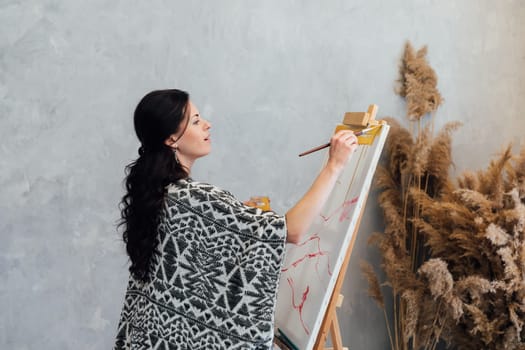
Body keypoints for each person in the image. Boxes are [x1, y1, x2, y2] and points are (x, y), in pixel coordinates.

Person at [114, 89, 358, 350]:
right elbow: (294, 230)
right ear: (172, 138)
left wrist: (238, 222)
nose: (207, 124)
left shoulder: (159, 193)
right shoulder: (193, 197)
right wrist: (335, 165)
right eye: (195, 121)